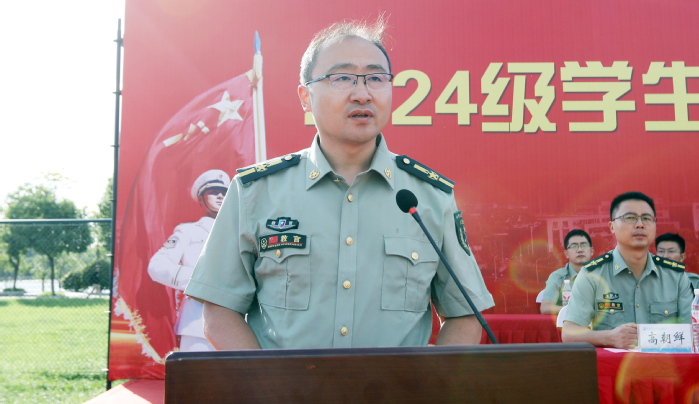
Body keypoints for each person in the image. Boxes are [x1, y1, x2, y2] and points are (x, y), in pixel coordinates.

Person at [184, 19, 494, 350]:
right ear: (306, 96)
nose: (362, 94)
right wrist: (268, 381)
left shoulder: (428, 197)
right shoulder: (255, 192)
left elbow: (465, 315)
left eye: (376, 78)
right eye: (342, 78)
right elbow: (219, 311)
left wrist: (430, 381)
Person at [562, 191, 693, 349]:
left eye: (647, 218)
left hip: (664, 363)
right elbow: (569, 333)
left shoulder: (676, 276)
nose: (640, 224)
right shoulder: (592, 275)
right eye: (630, 218)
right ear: (612, 226)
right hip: (613, 364)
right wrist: (609, 337)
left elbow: (692, 331)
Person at [148, 170, 230, 352]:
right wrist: (200, 280)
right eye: (213, 192)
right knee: (196, 371)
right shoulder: (188, 231)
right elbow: (157, 266)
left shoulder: (238, 233)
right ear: (200, 199)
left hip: (236, 324)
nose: (220, 196)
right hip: (197, 323)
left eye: (224, 193)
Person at [540, 229, 594, 314]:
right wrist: (574, 309)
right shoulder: (558, 277)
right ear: (566, 254)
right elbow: (545, 307)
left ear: (591, 251)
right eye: (574, 246)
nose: (580, 250)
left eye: (584, 245)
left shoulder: (602, 273)